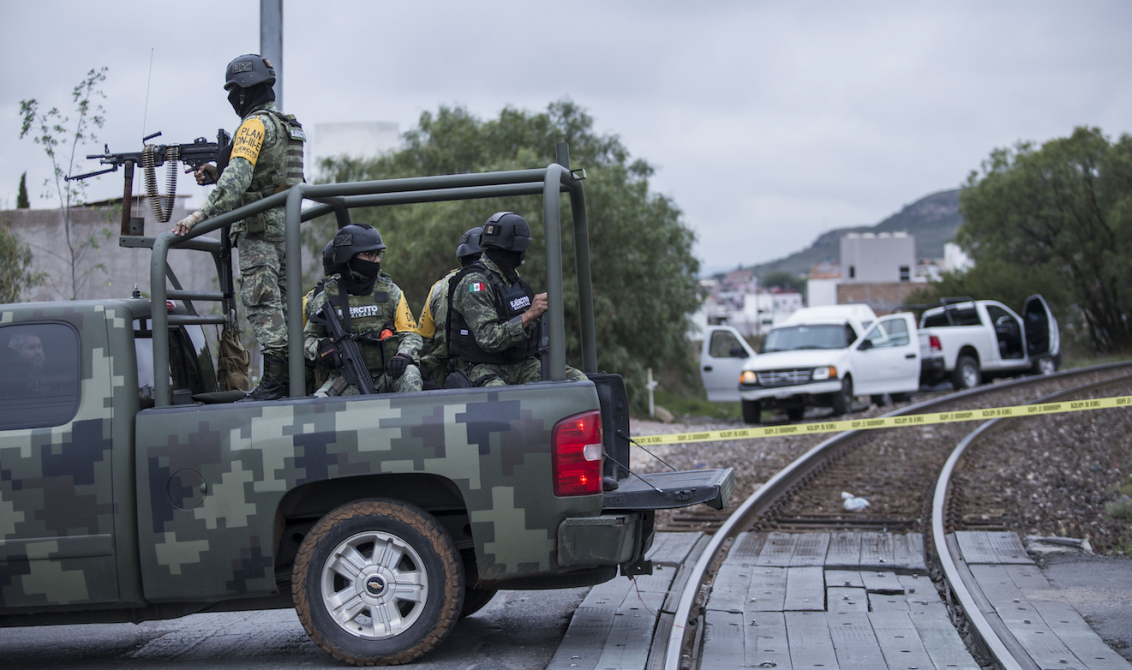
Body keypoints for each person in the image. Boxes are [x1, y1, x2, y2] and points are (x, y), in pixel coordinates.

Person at [171, 53, 306, 401]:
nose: (232, 97)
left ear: (244, 92)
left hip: (259, 230)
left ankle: (276, 381)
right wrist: (216, 172)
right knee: (286, 306)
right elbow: (271, 175)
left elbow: (238, 179)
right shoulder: (287, 125)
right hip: (286, 229)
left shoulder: (253, 126)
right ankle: (295, 377)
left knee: (263, 304)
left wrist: (198, 217)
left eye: (233, 90)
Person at [448, 212, 587, 387]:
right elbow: (488, 338)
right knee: (502, 397)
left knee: (578, 381)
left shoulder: (514, 281)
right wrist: (529, 315)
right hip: (485, 368)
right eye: (519, 250)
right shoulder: (475, 283)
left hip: (521, 365)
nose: (522, 255)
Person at [303, 224, 423, 396]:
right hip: (345, 377)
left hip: (386, 374)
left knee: (411, 375)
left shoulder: (390, 292)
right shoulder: (325, 297)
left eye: (377, 254)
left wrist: (403, 356)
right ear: (349, 257)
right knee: (321, 403)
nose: (376, 260)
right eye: (369, 255)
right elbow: (307, 339)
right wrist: (321, 346)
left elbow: (411, 334)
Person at [415, 226, 483, 389]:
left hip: (446, 379)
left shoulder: (438, 288)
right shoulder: (503, 281)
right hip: (491, 375)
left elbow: (422, 341)